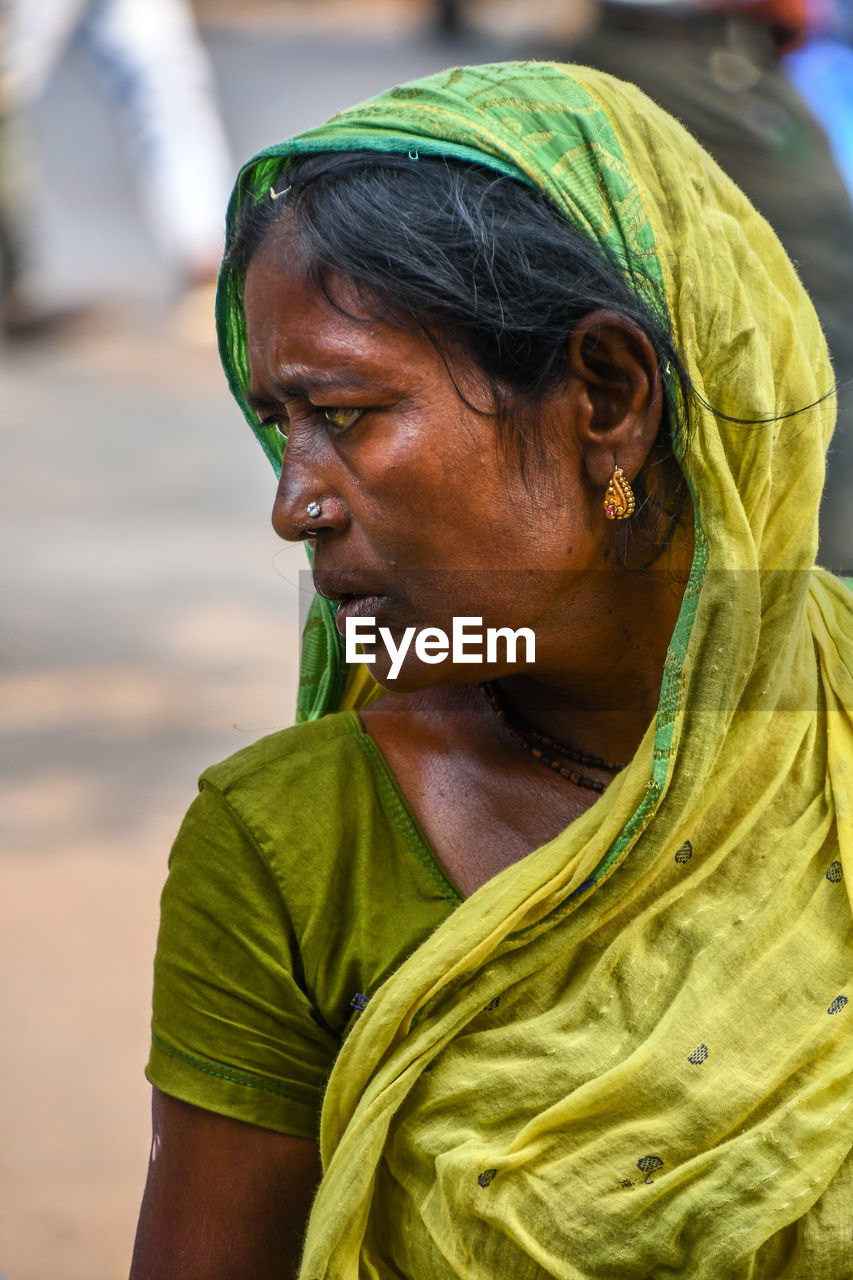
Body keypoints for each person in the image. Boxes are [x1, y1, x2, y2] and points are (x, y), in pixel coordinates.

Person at [129, 63, 853, 1279]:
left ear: (607, 398)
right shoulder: (295, 845)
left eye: (347, 412)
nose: (294, 504)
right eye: (280, 422)